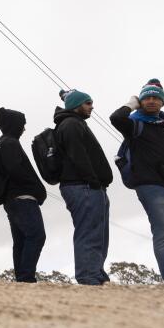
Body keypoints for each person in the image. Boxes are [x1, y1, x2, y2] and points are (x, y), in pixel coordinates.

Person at [110, 80, 164, 286]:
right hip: (151, 185)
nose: (152, 101)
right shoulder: (135, 124)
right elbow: (116, 118)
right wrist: (132, 104)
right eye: (147, 98)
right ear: (141, 101)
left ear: (163, 102)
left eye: (156, 98)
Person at [54, 89, 113, 285]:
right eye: (88, 103)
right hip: (83, 186)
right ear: (76, 105)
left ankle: (95, 273)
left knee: (99, 233)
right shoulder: (70, 124)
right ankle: (88, 276)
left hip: (89, 187)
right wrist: (93, 181)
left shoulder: (75, 123)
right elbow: (77, 155)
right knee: (89, 232)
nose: (92, 107)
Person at [0, 108, 48, 283]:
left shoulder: (6, 142)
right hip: (22, 198)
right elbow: (16, 170)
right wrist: (37, 188)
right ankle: (26, 277)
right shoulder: (9, 143)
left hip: (13, 199)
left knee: (21, 240)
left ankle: (22, 278)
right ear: (14, 125)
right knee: (36, 235)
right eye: (22, 125)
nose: (24, 129)